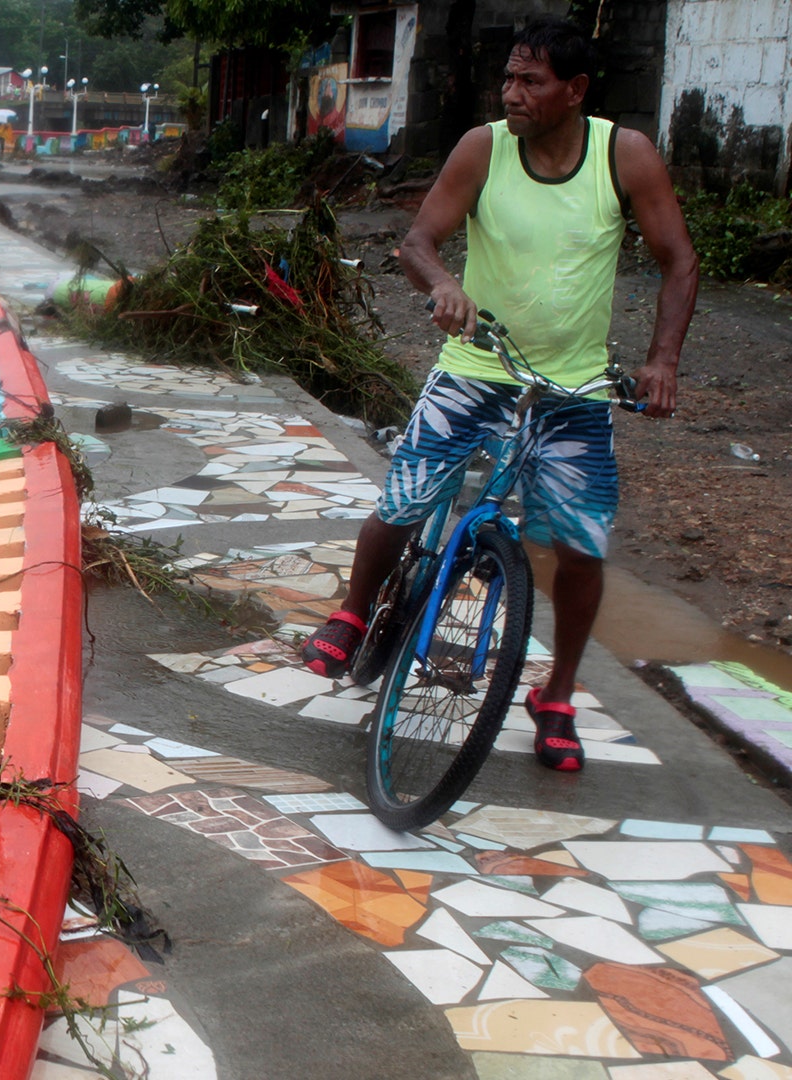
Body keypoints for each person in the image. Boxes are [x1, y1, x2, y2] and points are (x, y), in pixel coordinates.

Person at [299, 19, 698, 772]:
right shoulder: (484, 147)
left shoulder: (625, 156)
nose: (512, 94)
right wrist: (445, 285)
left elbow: (679, 261)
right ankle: (354, 611)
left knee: (580, 548)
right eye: (509, 79)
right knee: (407, 496)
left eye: (531, 82)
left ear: (576, 91)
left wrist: (662, 361)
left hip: (573, 388)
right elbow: (418, 241)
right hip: (478, 367)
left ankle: (559, 694)